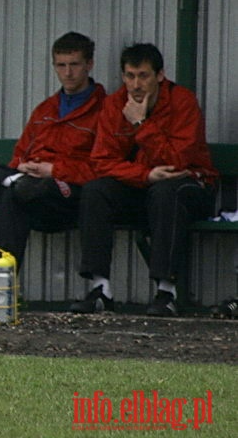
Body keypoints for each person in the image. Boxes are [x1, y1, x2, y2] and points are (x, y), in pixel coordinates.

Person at [70, 43, 218, 317]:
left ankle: (166, 292)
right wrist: (145, 175)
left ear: (160, 75)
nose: (135, 84)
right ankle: (100, 289)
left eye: (143, 75)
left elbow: (176, 161)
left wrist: (140, 124)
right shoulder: (115, 104)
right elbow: (102, 161)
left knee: (166, 192)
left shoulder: (182, 101)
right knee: (95, 191)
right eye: (129, 76)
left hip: (191, 185)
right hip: (143, 185)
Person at [0, 32, 106, 268]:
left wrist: (54, 170)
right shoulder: (45, 109)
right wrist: (21, 166)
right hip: (28, 186)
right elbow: (21, 151)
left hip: (65, 192)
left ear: (89, 65)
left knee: (19, 193)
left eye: (74, 65)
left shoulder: (105, 110)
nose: (68, 73)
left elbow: (102, 168)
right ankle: (14, 180)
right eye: (61, 65)